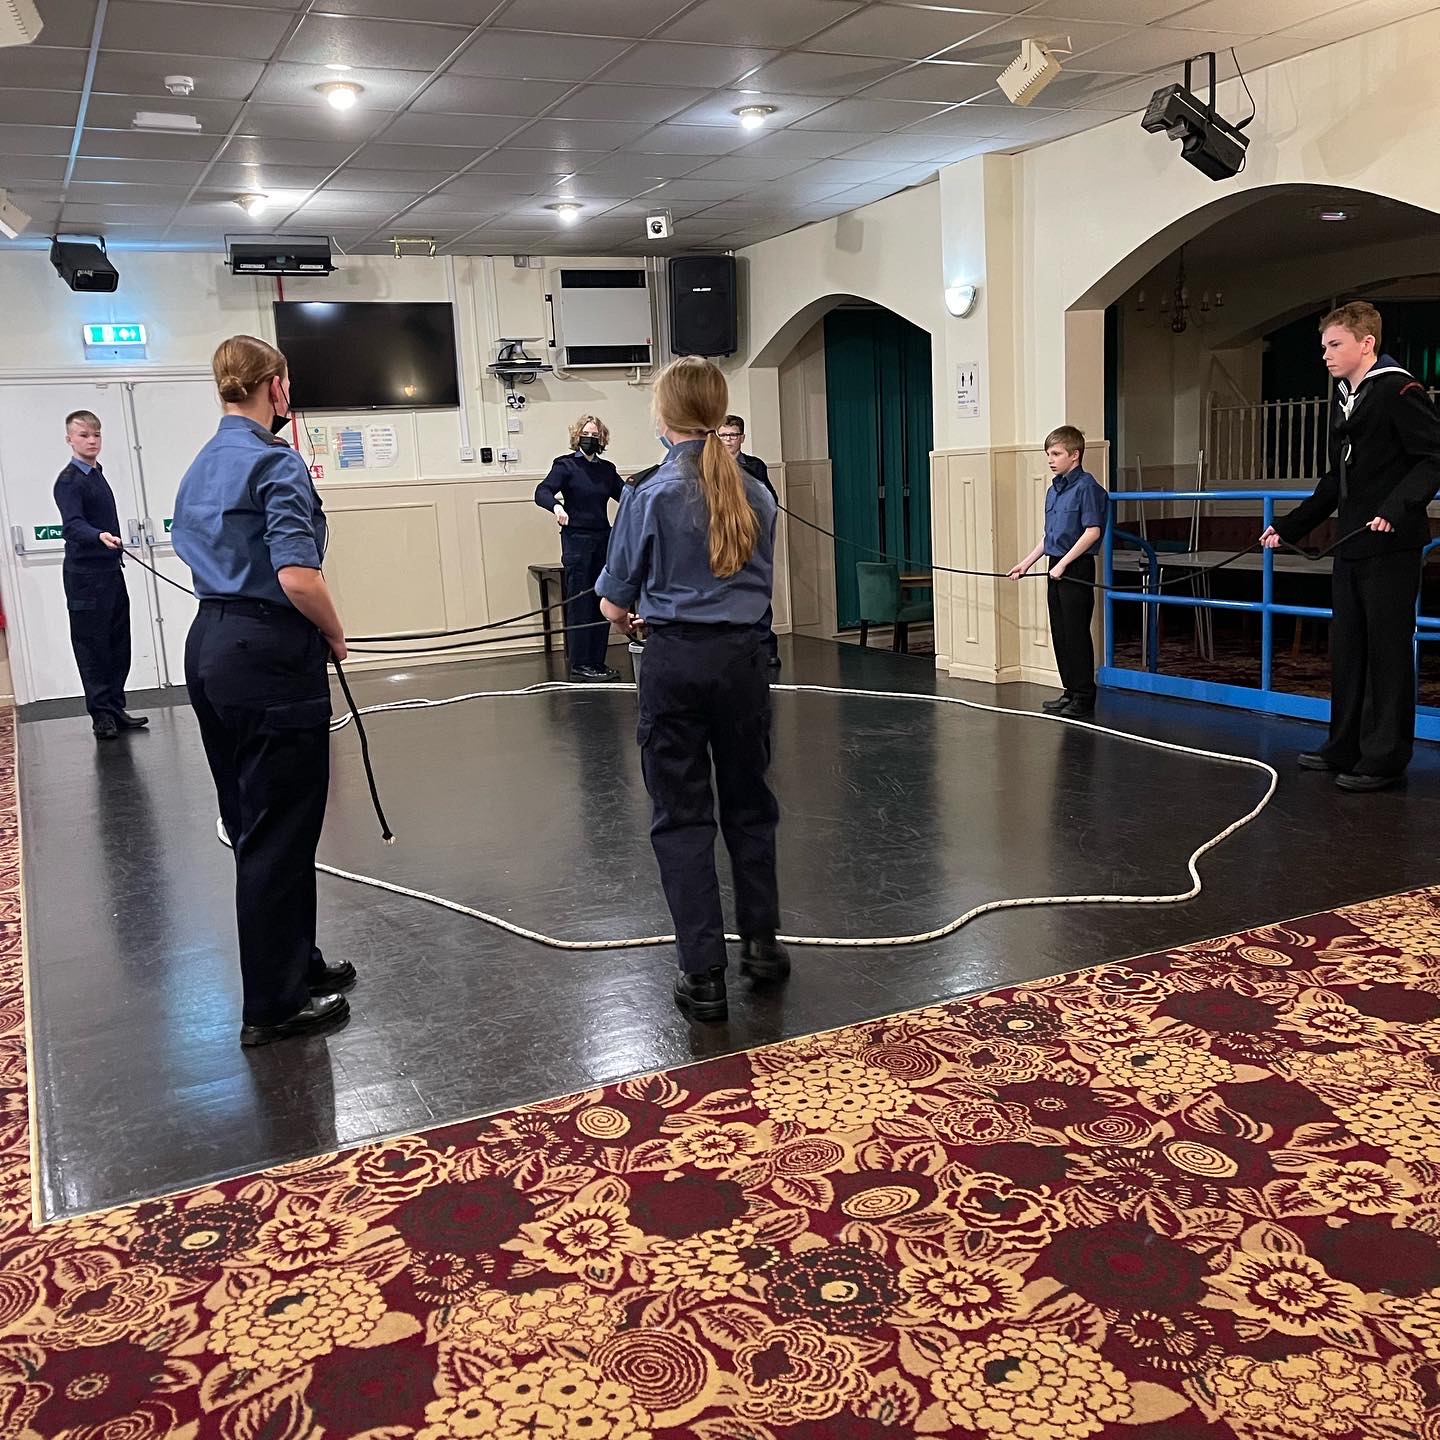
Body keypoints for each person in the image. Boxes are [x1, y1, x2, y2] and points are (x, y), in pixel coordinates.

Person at [171, 335, 353, 1046]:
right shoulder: (275, 462)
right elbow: (297, 576)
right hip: (268, 654)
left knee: (257, 822)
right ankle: (273, 1005)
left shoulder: (200, 463)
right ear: (275, 387)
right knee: (281, 829)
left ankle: (295, 962)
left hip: (211, 647)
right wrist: (335, 633)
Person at [597, 358, 788, 1023]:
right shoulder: (757, 493)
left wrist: (633, 615)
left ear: (665, 415)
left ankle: (703, 974)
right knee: (750, 805)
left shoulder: (649, 494)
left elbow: (612, 602)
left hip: (675, 661)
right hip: (744, 661)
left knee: (681, 816)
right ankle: (762, 946)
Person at [1261, 301, 1440, 792]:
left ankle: (1383, 758)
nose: (1325, 354)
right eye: (1323, 346)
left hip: (1391, 545)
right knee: (1349, 650)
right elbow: (1334, 481)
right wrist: (1289, 528)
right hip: (1352, 544)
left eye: (1335, 344)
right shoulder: (1347, 397)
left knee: (1387, 653)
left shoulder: (1399, 390)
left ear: (1367, 344)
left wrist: (1397, 507)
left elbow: (1432, 458)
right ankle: (1344, 745)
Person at [53, 410, 147, 740]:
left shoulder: (96, 474)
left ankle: (115, 707)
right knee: (92, 646)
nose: (92, 440)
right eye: (84, 435)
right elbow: (72, 525)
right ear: (69, 440)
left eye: (96, 434)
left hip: (110, 572)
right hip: (85, 577)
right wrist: (98, 536)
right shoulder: (69, 481)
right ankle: (101, 715)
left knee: (118, 643)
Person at [1008, 426, 1107, 719]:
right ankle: (1070, 690)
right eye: (1048, 454)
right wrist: (1026, 562)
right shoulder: (1054, 490)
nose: (1050, 459)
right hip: (1056, 563)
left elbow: (1092, 531)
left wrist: (1064, 563)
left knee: (1076, 632)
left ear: (1074, 455)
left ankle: (1084, 695)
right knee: (1060, 631)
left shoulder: (1087, 487)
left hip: (1076, 565)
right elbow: (1050, 536)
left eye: (1056, 453)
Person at [535, 416, 624, 681]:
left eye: (595, 435)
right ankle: (581, 663)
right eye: (586, 434)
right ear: (577, 436)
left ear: (602, 439)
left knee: (601, 598)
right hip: (577, 540)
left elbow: (626, 496)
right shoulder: (566, 465)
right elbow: (542, 491)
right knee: (581, 601)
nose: (590, 439)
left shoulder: (606, 469)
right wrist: (557, 507)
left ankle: (597, 661)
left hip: (602, 539)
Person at [717, 412, 781, 671]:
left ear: (742, 438)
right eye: (723, 435)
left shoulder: (755, 466)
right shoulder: (710, 466)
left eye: (732, 435)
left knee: (756, 590)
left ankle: (766, 647)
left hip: (751, 538)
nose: (728, 440)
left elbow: (770, 501)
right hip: (722, 539)